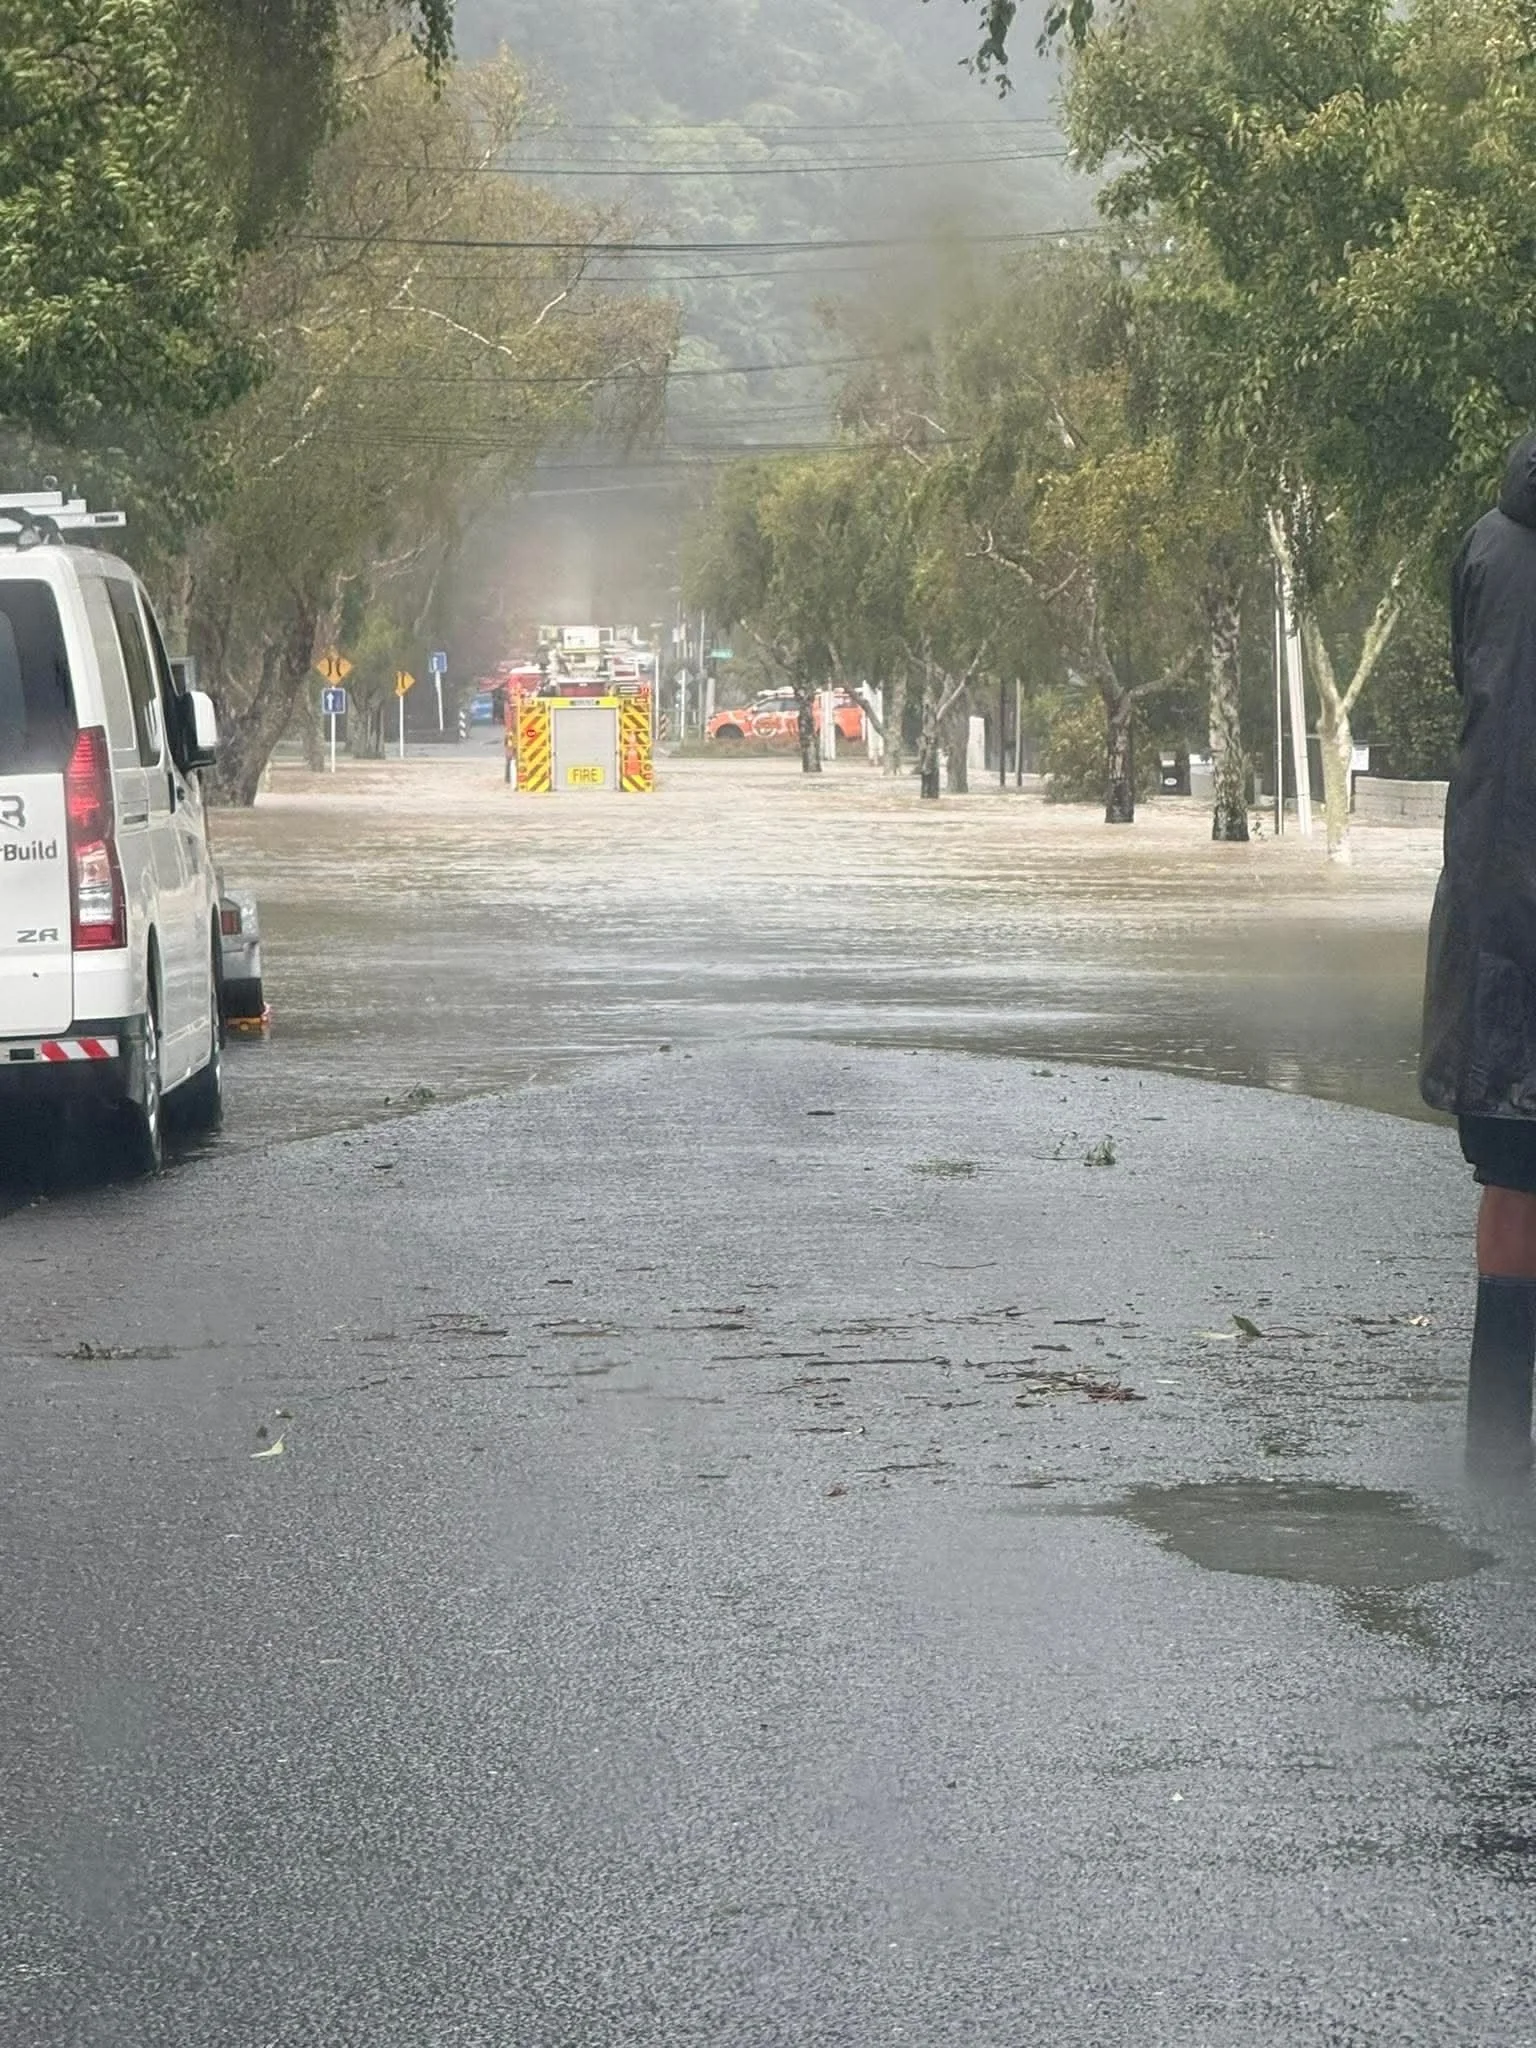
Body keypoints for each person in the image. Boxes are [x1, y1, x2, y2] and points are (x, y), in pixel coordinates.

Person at [1422, 428, 1536, 1470]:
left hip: (1501, 906)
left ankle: (1494, 1457)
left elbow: (1473, 683)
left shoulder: (1488, 543)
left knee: (1513, 1177)